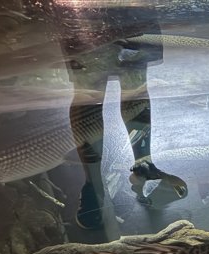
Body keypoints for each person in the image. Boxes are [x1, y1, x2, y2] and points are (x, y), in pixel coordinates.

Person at [52, 1, 165, 230]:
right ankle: (95, 181)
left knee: (129, 87)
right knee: (92, 93)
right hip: (85, 14)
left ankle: (140, 164)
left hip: (123, 13)